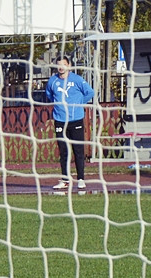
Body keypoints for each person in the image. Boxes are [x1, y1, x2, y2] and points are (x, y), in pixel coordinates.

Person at [44, 55, 94, 190]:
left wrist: (78, 103)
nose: (61, 67)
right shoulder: (53, 81)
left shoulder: (76, 79)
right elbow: (49, 94)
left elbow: (90, 92)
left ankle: (81, 179)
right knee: (64, 152)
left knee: (78, 150)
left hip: (76, 119)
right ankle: (65, 179)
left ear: (69, 66)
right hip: (60, 120)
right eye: (59, 65)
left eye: (64, 64)